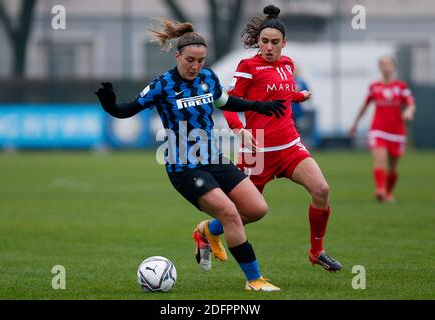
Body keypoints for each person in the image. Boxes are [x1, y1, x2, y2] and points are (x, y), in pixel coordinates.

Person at [95, 18, 287, 291]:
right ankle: (254, 280)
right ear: (178, 56)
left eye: (200, 60)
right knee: (231, 213)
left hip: (214, 158)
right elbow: (127, 110)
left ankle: (207, 231)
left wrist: (260, 106)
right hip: (184, 167)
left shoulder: (208, 78)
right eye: (190, 60)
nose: (195, 66)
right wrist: (110, 104)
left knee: (256, 209)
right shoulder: (162, 84)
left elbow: (225, 101)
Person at [193, 5, 342, 273]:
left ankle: (316, 251)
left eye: (275, 42)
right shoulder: (248, 66)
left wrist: (298, 96)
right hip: (257, 150)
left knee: (321, 190)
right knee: (246, 214)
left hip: (289, 146)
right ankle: (206, 231)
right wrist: (240, 131)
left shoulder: (288, 64)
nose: (269, 47)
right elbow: (227, 104)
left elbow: (280, 94)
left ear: (284, 43)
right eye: (264, 42)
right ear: (258, 42)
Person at [350, 55, 416, 202]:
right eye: (383, 64)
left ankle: (388, 192)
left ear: (394, 67)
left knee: (392, 166)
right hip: (378, 129)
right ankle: (380, 189)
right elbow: (365, 105)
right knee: (380, 159)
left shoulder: (401, 86)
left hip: (397, 132)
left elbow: (411, 103)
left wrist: (408, 111)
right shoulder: (374, 87)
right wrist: (355, 123)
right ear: (380, 68)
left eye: (389, 64)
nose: (386, 67)